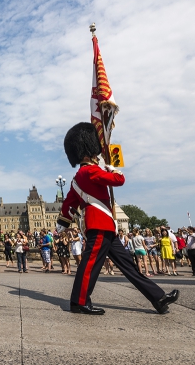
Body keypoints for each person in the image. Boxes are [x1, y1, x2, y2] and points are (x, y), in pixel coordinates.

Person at [57, 123, 177, 315]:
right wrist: (112, 169)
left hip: (104, 226)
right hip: (99, 225)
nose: (98, 157)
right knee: (90, 264)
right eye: (95, 154)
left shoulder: (76, 178)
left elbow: (68, 205)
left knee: (129, 265)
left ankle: (158, 298)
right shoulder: (91, 171)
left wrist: (63, 223)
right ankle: (78, 302)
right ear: (88, 152)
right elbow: (119, 180)